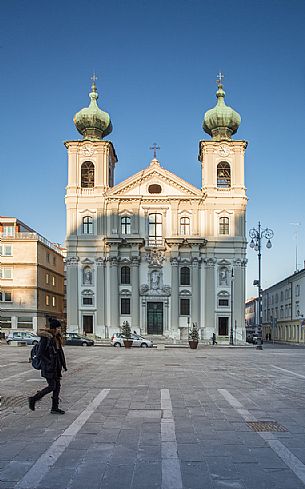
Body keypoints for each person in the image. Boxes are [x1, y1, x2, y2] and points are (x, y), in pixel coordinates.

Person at [28, 318, 67, 414]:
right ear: (54, 328)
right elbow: (40, 354)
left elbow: (59, 353)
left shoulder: (56, 338)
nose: (60, 330)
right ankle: (33, 399)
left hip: (56, 366)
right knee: (52, 386)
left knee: (57, 386)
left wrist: (63, 365)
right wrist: (49, 362)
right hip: (48, 367)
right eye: (58, 328)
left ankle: (54, 407)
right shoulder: (46, 338)